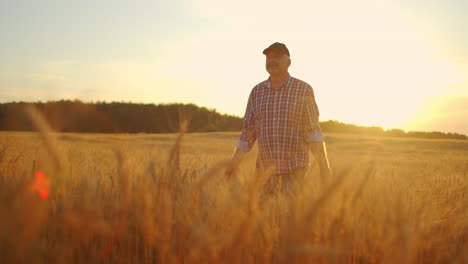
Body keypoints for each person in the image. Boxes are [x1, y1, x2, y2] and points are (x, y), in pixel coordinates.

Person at [226, 42, 332, 193]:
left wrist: (324, 167)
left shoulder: (303, 90)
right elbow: (248, 133)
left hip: (294, 171)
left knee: (289, 214)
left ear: (288, 62)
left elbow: (312, 131)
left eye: (277, 56)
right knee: (263, 216)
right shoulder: (256, 92)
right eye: (268, 57)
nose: (271, 60)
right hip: (264, 173)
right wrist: (233, 165)